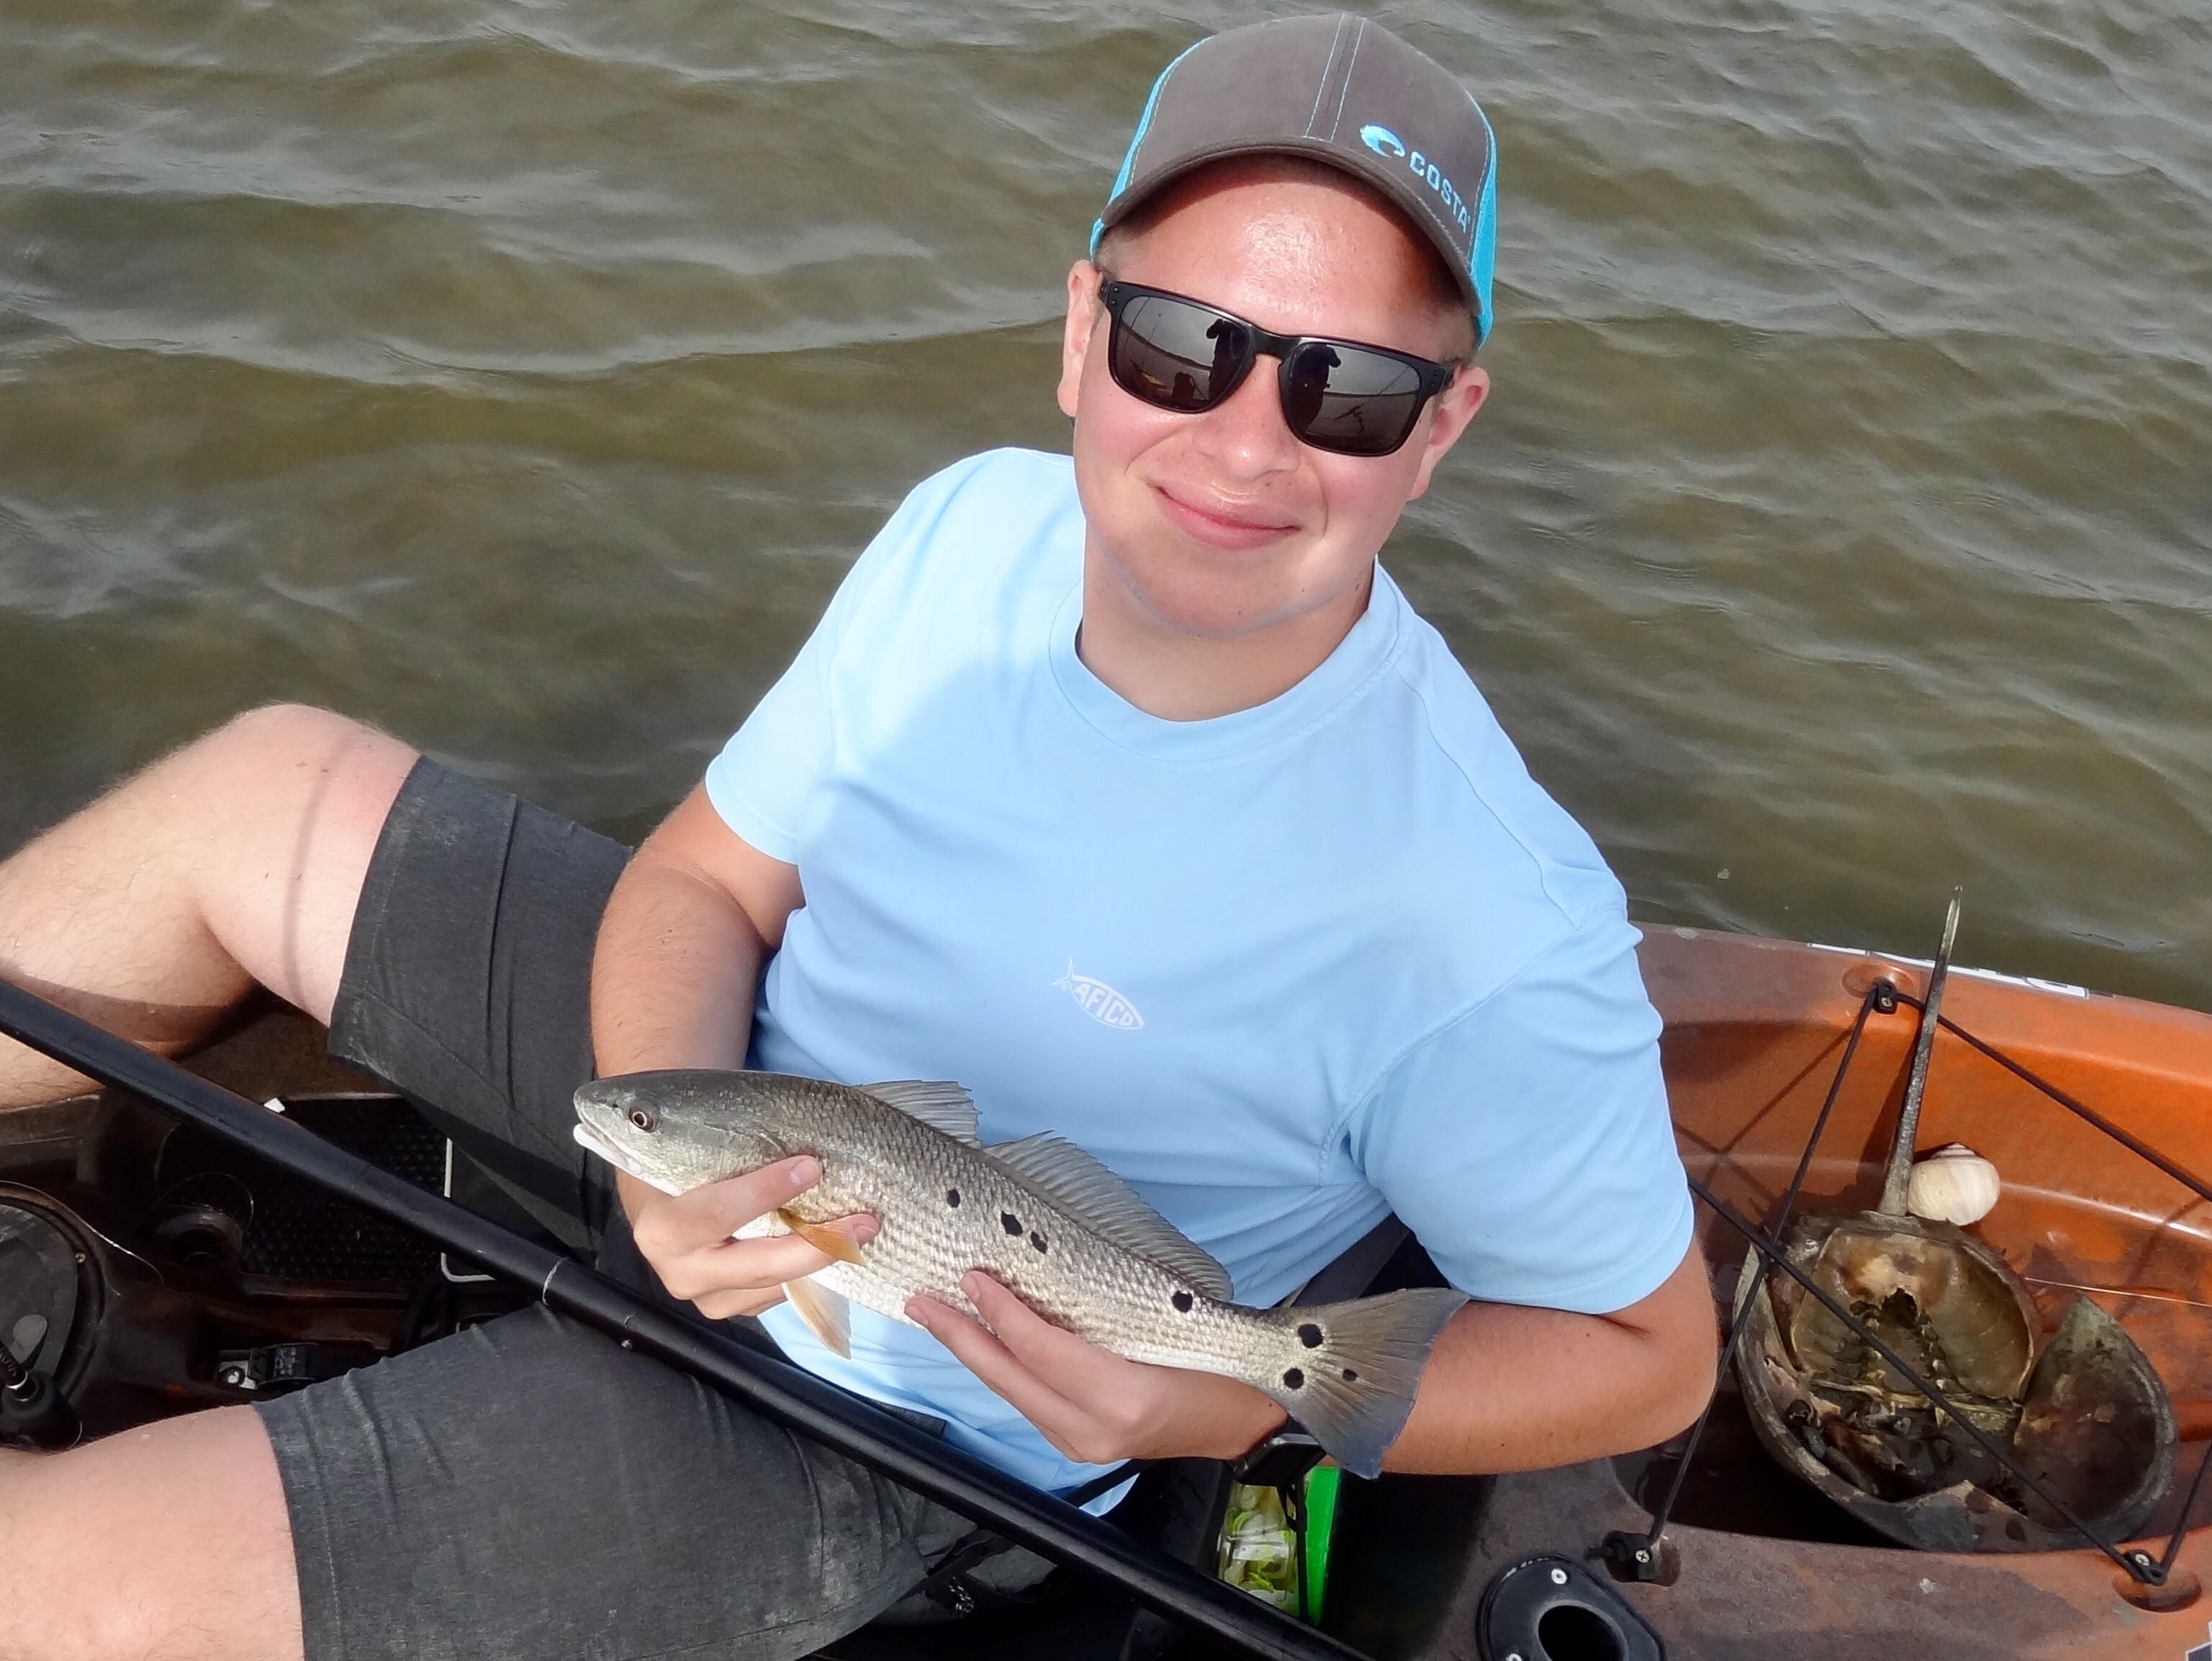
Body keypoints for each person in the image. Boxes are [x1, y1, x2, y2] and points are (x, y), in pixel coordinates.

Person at [0, 14, 1715, 1660]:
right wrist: (680, 1148)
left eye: (1344, 388)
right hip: (743, 1106)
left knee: (63, 1587)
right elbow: (699, 878)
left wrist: (1201, 1397)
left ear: (1441, 426)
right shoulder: (970, 529)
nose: (1242, 441)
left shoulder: (1488, 915)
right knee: (266, 783)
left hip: (908, 1422)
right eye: (1177, 345)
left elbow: (1648, 1356)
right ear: (1078, 333)